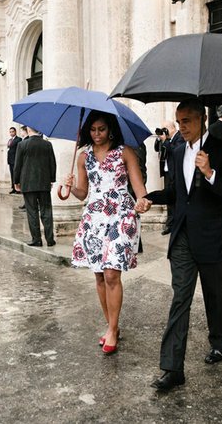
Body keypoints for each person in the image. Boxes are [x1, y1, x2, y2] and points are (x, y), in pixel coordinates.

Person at [141, 98, 222, 392]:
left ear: (203, 119)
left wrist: (211, 173)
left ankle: (219, 342)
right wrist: (151, 197)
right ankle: (173, 368)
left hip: (214, 237)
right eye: (179, 120)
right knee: (180, 299)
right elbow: (176, 192)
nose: (181, 126)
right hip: (184, 236)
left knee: (216, 294)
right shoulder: (175, 151)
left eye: (187, 121)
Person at [64, 111, 148, 355]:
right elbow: (83, 192)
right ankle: (112, 325)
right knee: (99, 275)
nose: (97, 134)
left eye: (101, 129)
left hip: (121, 213)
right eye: (93, 130)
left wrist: (143, 201)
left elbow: (138, 186)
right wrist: (70, 188)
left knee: (112, 273)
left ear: (110, 129)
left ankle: (112, 329)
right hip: (94, 216)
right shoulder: (83, 157)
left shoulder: (125, 152)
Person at [13, 127, 56, 247]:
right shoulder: (47, 144)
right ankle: (50, 239)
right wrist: (51, 179)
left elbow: (17, 165)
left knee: (32, 212)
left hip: (28, 183)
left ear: (28, 129)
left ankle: (36, 239)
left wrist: (16, 182)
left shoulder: (22, 145)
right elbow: (52, 162)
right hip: (44, 182)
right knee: (46, 211)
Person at [154, 121, 183, 234]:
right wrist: (159, 139)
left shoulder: (179, 137)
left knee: (177, 199)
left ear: (172, 128)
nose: (164, 131)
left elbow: (175, 151)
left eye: (165, 128)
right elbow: (157, 149)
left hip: (176, 173)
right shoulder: (166, 139)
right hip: (167, 173)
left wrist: (166, 140)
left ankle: (178, 224)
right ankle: (170, 225)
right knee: (169, 199)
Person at [7, 126, 22, 194]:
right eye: (10, 132)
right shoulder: (10, 140)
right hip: (10, 161)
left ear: (15, 132)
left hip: (15, 160)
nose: (11, 133)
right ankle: (13, 188)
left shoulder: (19, 139)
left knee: (16, 175)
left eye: (12, 131)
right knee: (12, 174)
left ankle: (18, 189)